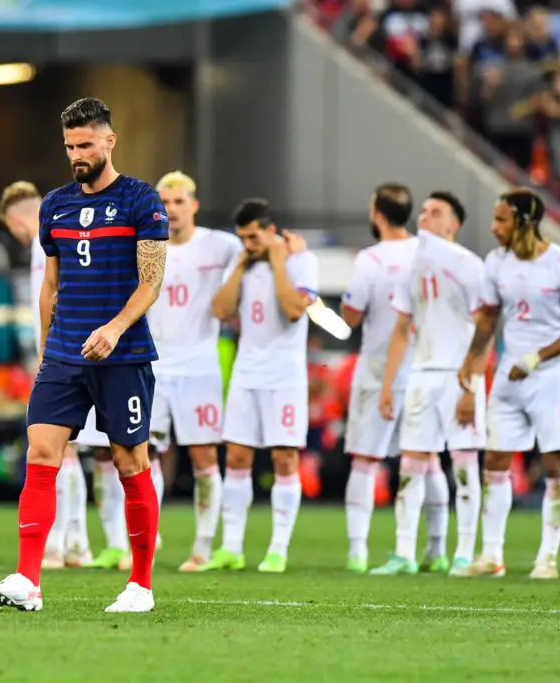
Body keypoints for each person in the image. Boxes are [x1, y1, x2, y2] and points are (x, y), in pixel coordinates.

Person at [0, 97, 168, 612]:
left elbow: (151, 282)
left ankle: (141, 586)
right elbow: (50, 284)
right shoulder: (55, 205)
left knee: (130, 461)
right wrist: (46, 350)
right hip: (64, 355)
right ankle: (28, 580)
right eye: (69, 146)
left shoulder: (141, 200)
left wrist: (115, 328)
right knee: (41, 452)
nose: (77, 155)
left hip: (123, 354)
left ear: (110, 141)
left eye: (85, 145)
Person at [458, 187, 560, 579]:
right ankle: (491, 555)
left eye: (501, 219)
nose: (493, 227)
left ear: (524, 222)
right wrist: (471, 360)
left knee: (555, 463)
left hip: (553, 376)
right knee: (495, 460)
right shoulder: (495, 262)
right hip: (510, 373)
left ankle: (547, 558)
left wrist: (536, 358)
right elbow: (488, 317)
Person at [198, 198, 318, 574]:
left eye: (253, 237)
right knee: (236, 458)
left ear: (270, 231)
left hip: (285, 377)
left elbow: (294, 310)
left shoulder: (301, 261)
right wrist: (239, 266)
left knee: (284, 460)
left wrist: (279, 261)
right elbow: (220, 310)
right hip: (247, 372)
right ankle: (231, 547)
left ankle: (278, 549)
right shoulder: (244, 264)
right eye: (242, 238)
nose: (248, 244)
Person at [372, 191, 487, 577]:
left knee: (465, 464)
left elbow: (486, 329)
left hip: (459, 374)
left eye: (435, 212)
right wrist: (388, 384)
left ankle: (464, 553)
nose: (424, 216)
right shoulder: (413, 267)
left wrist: (472, 385)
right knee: (411, 464)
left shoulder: (469, 265)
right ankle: (405, 552)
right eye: (423, 211)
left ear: (453, 225)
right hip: (421, 374)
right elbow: (401, 329)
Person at [145, 171, 242, 572]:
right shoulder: (146, 245)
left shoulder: (220, 245)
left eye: (179, 201)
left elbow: (254, 252)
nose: (172, 209)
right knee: (144, 454)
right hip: (152, 365)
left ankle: (202, 547)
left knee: (203, 457)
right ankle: (145, 539)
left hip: (199, 368)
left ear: (194, 205)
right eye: (165, 202)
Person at [0, 180, 94, 569]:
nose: (18, 237)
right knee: (70, 450)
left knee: (55, 449)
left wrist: (44, 353)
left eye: (13, 229)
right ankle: (77, 543)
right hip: (87, 348)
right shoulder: (70, 229)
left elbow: (52, 298)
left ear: (18, 219)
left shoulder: (47, 241)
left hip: (65, 351)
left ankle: (57, 544)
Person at [339, 184, 420, 574]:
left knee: (365, 460)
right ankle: (425, 549)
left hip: (377, 368)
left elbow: (351, 316)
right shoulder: (426, 252)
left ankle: (358, 552)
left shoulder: (370, 259)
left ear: (379, 215)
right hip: (422, 368)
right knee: (422, 460)